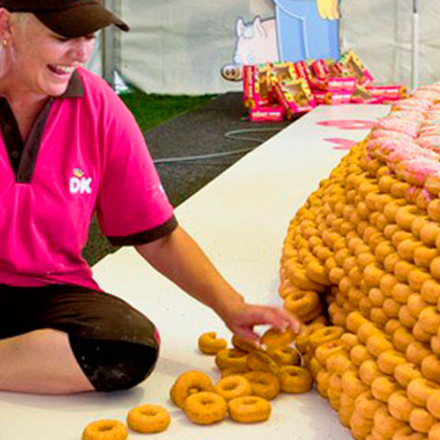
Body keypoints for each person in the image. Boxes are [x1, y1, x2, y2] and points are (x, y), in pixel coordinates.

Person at [0, 0, 300, 395]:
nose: (82, 52)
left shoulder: (98, 107)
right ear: (6, 25)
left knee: (126, 349)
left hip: (50, 290)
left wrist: (231, 306)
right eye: (63, 35)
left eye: (89, 35)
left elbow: (156, 235)